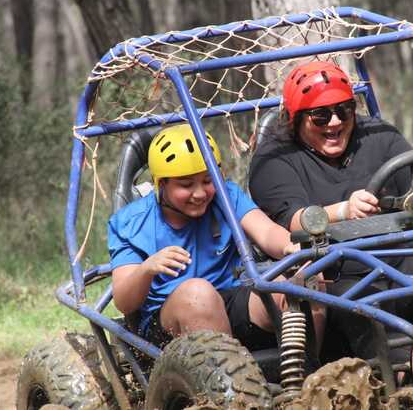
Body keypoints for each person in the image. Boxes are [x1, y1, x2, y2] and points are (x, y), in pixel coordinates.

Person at [248, 61, 413, 360]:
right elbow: (293, 222)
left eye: (344, 110)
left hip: (405, 266)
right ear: (296, 119)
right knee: (356, 309)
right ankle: (412, 362)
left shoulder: (377, 134)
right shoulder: (274, 159)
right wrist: (343, 210)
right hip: (341, 282)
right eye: (320, 115)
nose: (334, 122)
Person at [108, 124, 324, 353]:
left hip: (233, 297)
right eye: (186, 184)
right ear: (161, 185)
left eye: (208, 180)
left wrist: (292, 248)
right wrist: (146, 269)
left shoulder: (225, 196)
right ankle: (234, 388)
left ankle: (308, 377)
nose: (200, 193)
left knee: (304, 280)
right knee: (199, 294)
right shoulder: (131, 222)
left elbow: (267, 232)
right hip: (168, 318)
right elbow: (124, 302)